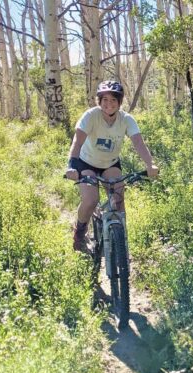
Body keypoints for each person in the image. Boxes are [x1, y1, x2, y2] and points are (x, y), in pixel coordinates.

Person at [65, 80, 159, 252]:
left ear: (119, 102)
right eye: (105, 100)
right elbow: (77, 142)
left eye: (113, 100)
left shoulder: (126, 120)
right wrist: (71, 165)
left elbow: (138, 143)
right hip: (87, 163)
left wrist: (150, 164)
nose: (109, 104)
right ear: (99, 101)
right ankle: (79, 234)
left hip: (110, 163)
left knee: (118, 199)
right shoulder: (91, 116)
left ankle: (120, 241)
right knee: (91, 200)